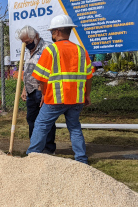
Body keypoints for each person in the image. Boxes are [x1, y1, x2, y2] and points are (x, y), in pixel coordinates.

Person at [26, 14, 93, 164]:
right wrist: (86, 95)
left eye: (51, 32)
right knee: (74, 127)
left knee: (41, 125)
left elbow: (40, 78)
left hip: (55, 98)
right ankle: (81, 159)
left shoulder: (51, 50)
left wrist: (44, 94)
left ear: (56, 32)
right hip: (76, 99)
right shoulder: (81, 51)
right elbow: (89, 77)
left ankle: (32, 156)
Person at [18, 25, 56, 154]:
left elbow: (52, 71)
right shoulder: (27, 50)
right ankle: (35, 147)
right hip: (30, 91)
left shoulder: (48, 48)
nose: (25, 45)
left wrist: (43, 89)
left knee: (45, 121)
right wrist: (24, 88)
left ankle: (48, 148)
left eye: (28, 42)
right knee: (31, 119)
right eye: (23, 42)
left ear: (37, 37)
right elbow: (28, 71)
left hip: (43, 90)